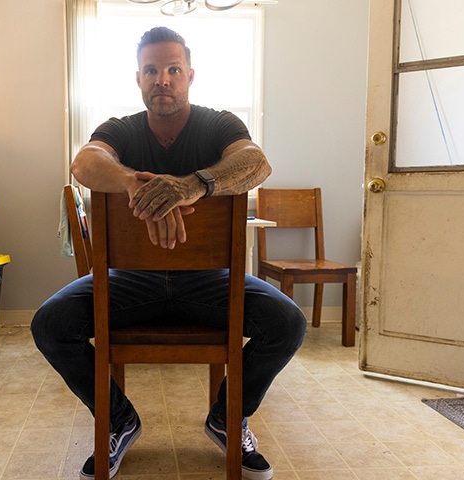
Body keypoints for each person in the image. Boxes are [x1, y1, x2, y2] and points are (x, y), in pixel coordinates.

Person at [31, 26, 306, 480]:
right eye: (152, 70)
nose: (163, 79)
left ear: (190, 75)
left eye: (173, 69)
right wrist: (132, 186)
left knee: (287, 324)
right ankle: (119, 420)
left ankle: (227, 416)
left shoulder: (218, 124)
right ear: (138, 79)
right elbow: (83, 163)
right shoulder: (119, 130)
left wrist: (190, 186)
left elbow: (256, 162)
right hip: (128, 282)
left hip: (208, 281)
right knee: (49, 324)